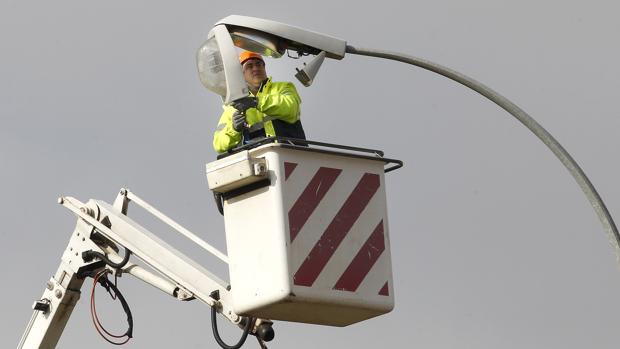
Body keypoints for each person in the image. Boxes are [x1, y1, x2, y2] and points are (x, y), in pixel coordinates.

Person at [212, 51, 306, 153]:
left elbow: (291, 108)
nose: (255, 68)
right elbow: (218, 144)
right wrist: (234, 129)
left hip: (292, 155)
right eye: (249, 66)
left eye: (258, 64)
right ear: (241, 73)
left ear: (264, 68)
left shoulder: (283, 87)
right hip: (258, 161)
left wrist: (256, 102)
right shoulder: (233, 107)